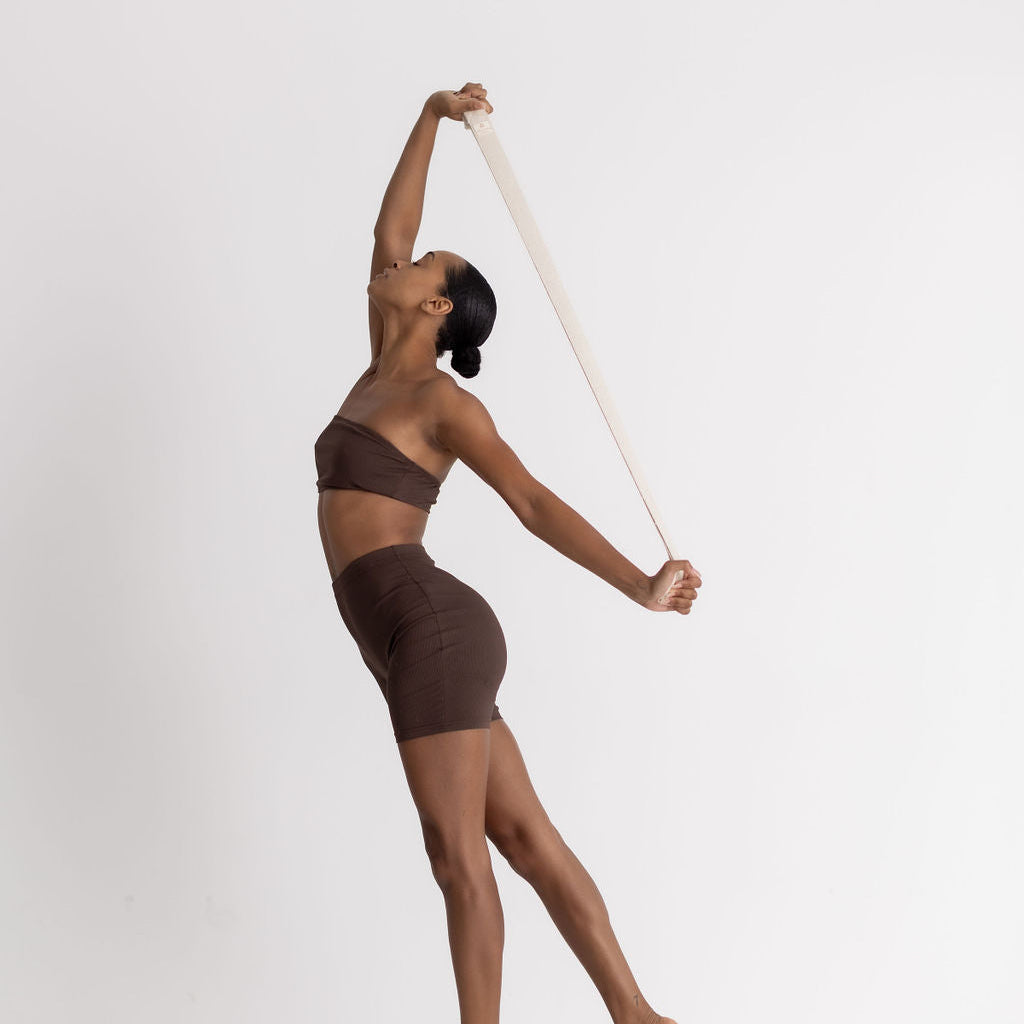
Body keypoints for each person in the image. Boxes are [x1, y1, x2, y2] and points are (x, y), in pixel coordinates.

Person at [314, 81, 700, 1024]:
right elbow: (387, 228)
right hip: (408, 637)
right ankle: (638, 1014)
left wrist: (640, 587)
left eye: (424, 263)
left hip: (430, 626)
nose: (400, 260)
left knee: (458, 860)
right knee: (524, 837)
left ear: (438, 302)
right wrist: (433, 114)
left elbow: (529, 501)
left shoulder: (445, 407)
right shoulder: (379, 366)